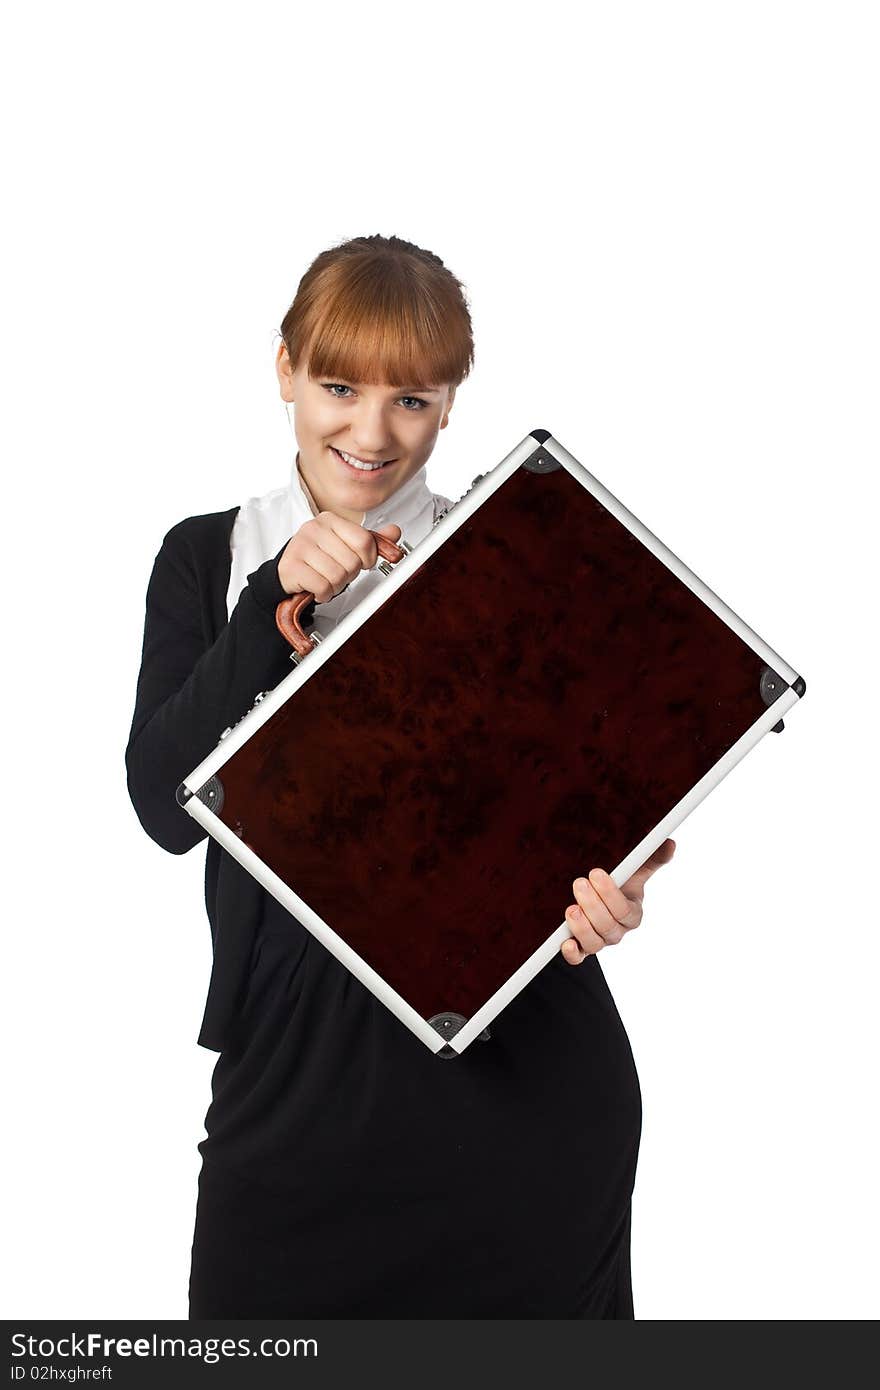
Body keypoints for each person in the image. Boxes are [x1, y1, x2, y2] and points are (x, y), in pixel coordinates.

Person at [125, 233, 676, 1319]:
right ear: (283, 368)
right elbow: (162, 806)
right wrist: (270, 607)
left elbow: (577, 805)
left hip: (526, 1079)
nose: (371, 434)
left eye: (412, 401)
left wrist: (605, 893)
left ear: (449, 405)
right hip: (291, 1084)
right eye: (337, 386)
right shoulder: (210, 556)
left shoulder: (510, 549)